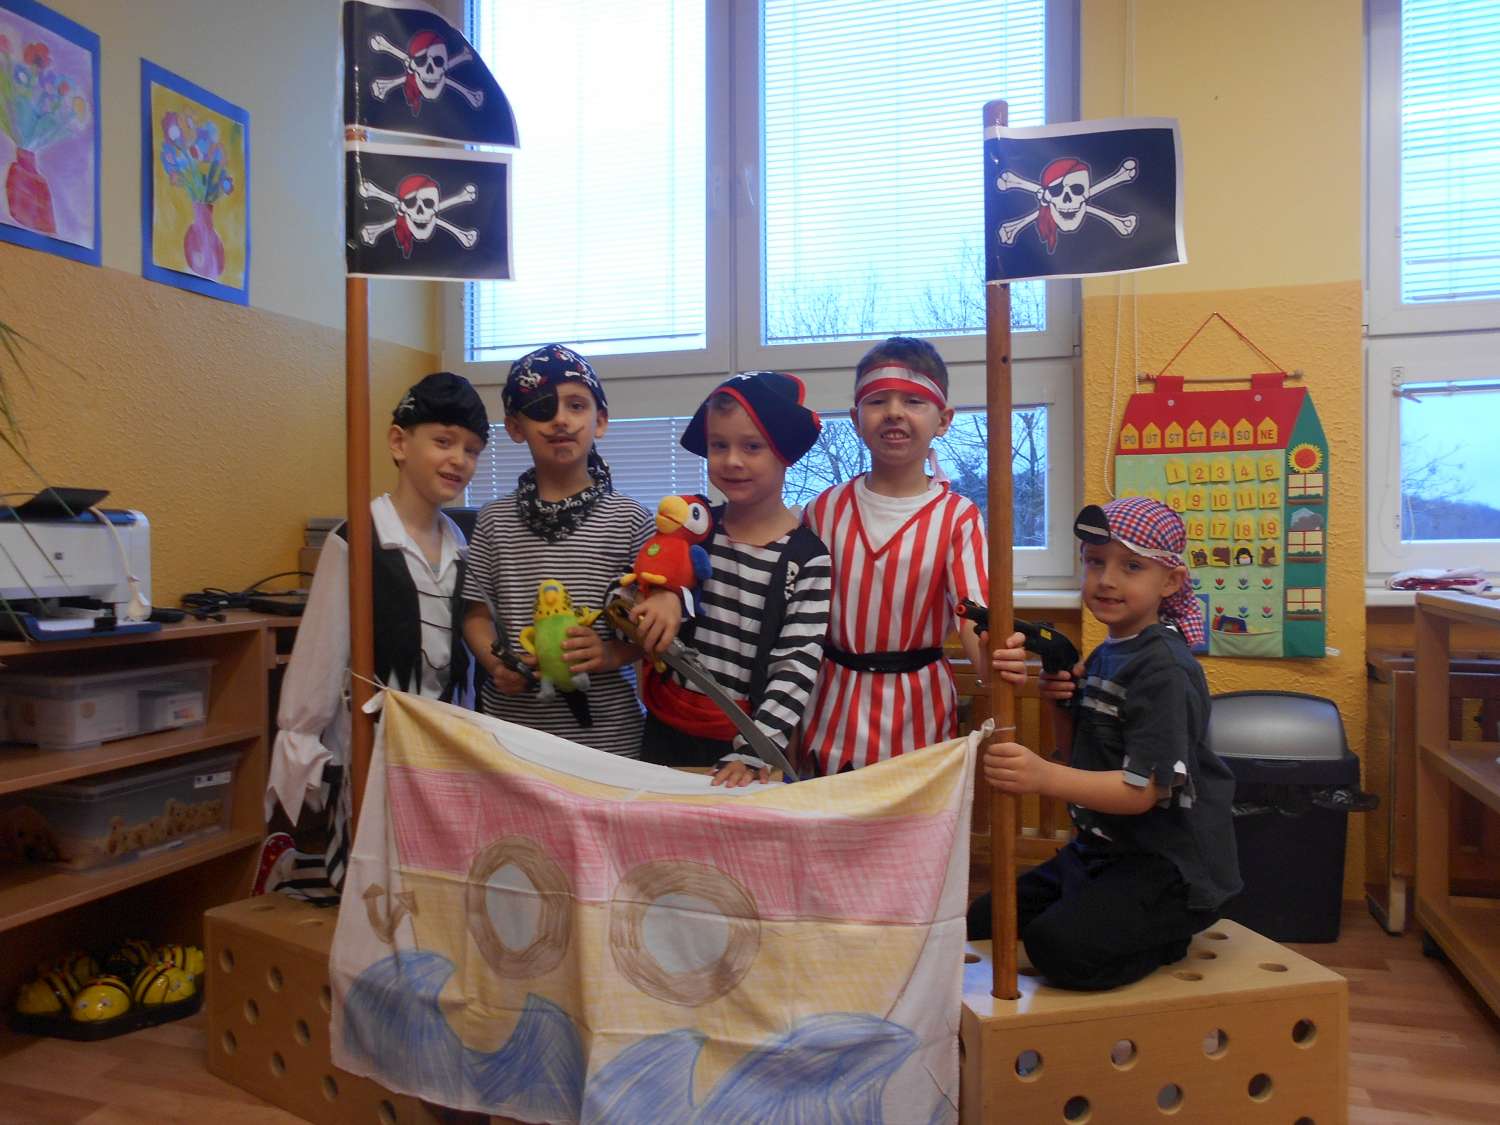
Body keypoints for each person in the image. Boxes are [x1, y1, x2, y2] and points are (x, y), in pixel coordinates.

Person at [968, 498, 1241, 991]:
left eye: (1131, 566)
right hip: (1102, 850)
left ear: (1171, 582)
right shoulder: (1105, 656)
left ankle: (1164, 939)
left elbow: (1142, 791)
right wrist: (1059, 705)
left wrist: (1041, 776)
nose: (1107, 580)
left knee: (1057, 948)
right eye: (1095, 562)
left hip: (1167, 867)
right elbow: (1079, 756)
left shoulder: (1164, 670)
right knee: (986, 918)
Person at [261, 372, 490, 902]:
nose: (458, 460)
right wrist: (303, 739)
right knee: (369, 879)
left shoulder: (460, 545)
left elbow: (462, 657)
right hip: (375, 743)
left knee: (429, 880)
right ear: (398, 443)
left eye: (472, 450)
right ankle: (292, 870)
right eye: (443, 441)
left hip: (441, 746)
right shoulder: (357, 541)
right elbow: (320, 653)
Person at [798, 336, 996, 775]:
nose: (893, 412)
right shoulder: (822, 510)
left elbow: (973, 617)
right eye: (877, 401)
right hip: (830, 713)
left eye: (913, 401)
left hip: (919, 719)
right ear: (856, 418)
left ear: (943, 420)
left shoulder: (957, 517)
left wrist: (995, 664)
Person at [629, 371, 832, 786]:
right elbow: (632, 597)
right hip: (664, 728)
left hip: (748, 746)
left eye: (752, 446)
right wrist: (664, 592)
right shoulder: (692, 528)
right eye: (719, 445)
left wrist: (755, 751)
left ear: (784, 452)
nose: (732, 460)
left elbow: (795, 666)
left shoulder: (808, 558)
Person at [461, 344, 651, 755]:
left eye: (576, 405)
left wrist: (608, 654)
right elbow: (476, 615)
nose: (560, 419)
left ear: (600, 420)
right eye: (541, 408)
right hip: (511, 739)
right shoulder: (493, 520)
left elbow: (654, 630)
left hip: (608, 740)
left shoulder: (632, 519)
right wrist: (495, 664)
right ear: (515, 427)